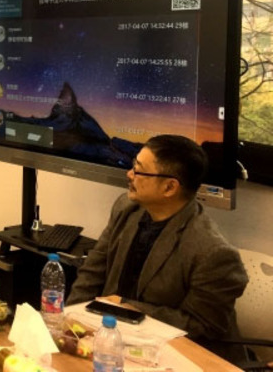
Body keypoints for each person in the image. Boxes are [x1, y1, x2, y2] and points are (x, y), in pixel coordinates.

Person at [68, 134, 248, 355]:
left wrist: (128, 307)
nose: (129, 174)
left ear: (169, 187)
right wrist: (70, 321)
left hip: (181, 355)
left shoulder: (213, 253)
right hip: (114, 339)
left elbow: (202, 327)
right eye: (133, 166)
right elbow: (92, 273)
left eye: (138, 171)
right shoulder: (126, 208)